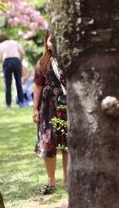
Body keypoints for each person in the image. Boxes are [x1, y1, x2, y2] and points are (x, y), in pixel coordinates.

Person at [33, 30, 68, 195]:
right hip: (47, 107)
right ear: (46, 42)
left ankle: (68, 180)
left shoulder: (69, 60)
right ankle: (51, 181)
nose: (53, 43)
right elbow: (38, 87)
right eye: (50, 40)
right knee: (48, 142)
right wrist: (35, 109)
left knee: (68, 143)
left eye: (56, 40)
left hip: (67, 105)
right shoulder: (42, 62)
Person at [0, 35, 25, 108]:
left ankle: (8, 105)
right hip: (16, 61)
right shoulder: (15, 42)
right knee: (19, 83)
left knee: (8, 84)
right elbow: (22, 53)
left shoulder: (0, 45)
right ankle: (21, 103)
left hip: (7, 62)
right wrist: (19, 61)